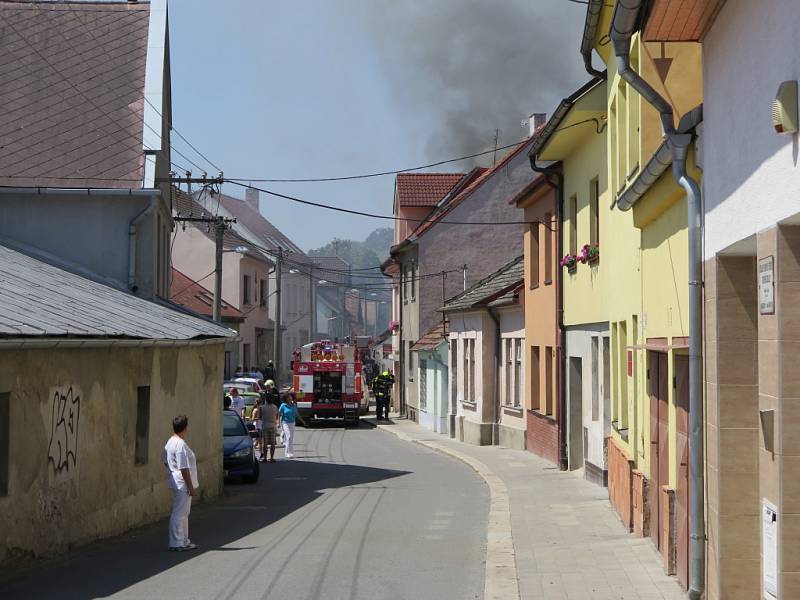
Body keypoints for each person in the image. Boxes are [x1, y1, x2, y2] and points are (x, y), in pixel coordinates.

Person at [162, 415, 198, 552]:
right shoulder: (180, 444)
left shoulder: (170, 441)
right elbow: (184, 467)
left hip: (176, 479)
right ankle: (176, 542)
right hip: (182, 482)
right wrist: (190, 486)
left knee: (183, 512)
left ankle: (183, 540)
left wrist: (172, 470)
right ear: (185, 428)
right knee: (179, 513)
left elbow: (164, 459)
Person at [278, 392, 304, 458]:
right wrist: (278, 422)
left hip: (292, 423)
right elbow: (279, 414)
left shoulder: (294, 405)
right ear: (285, 399)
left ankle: (291, 452)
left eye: (290, 397)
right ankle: (287, 453)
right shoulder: (283, 405)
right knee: (288, 437)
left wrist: (303, 421)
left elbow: (297, 414)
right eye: (288, 397)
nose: (290, 398)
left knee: (291, 438)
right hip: (285, 423)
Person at [260, 396, 279, 462]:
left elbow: (260, 417)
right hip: (273, 426)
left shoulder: (262, 407)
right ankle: (272, 458)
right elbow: (276, 416)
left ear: (266, 400)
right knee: (272, 443)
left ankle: (265, 458)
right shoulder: (275, 407)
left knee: (265, 443)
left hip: (265, 425)